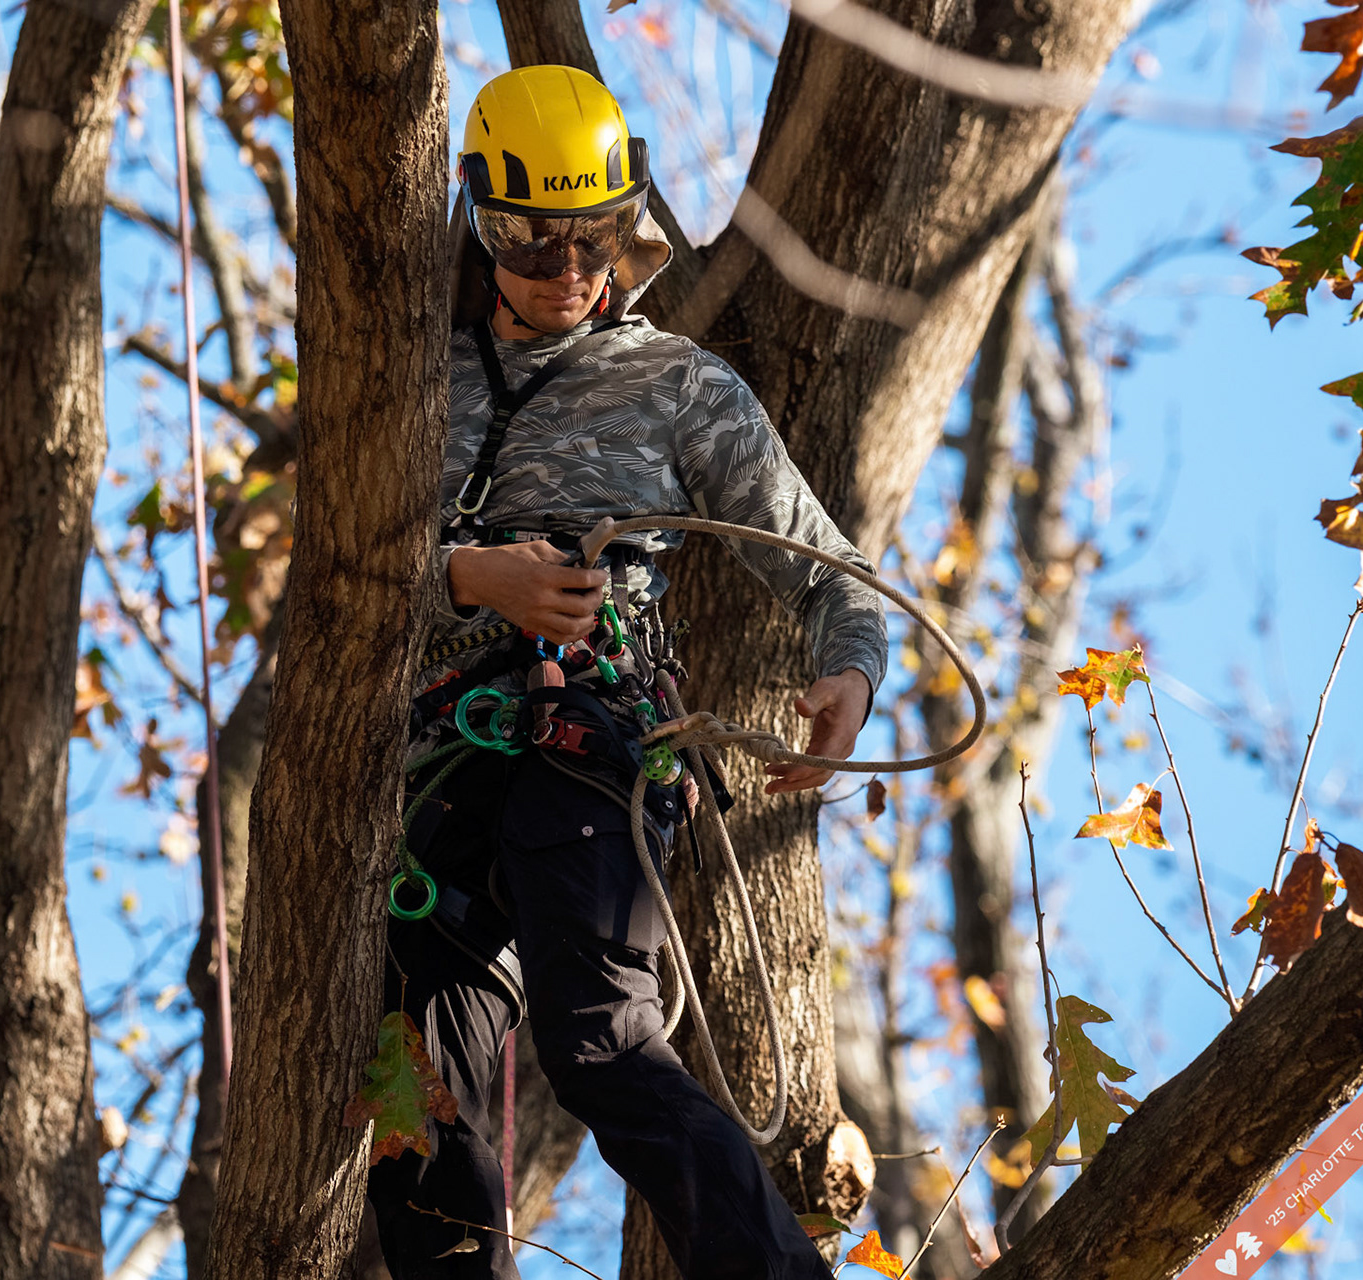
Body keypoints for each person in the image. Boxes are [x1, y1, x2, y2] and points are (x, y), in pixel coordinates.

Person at [366, 65, 888, 1279]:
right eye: (528, 241)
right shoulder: (409, 386)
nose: (565, 271)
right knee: (411, 1092)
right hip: (430, 782)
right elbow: (334, 589)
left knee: (599, 1038)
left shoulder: (674, 384)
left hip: (581, 750)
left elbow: (836, 574)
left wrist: (849, 675)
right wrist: (467, 577)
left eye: (591, 237)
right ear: (480, 222)